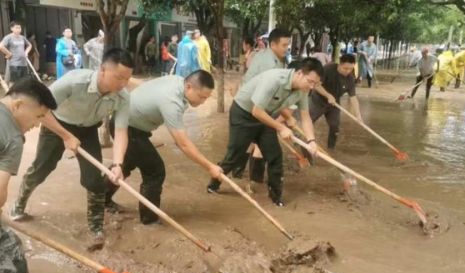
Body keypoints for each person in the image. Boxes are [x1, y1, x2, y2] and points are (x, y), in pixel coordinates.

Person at [10, 49, 133, 251]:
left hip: (87, 130)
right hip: (56, 124)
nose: (123, 84)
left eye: (127, 79)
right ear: (103, 70)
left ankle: (95, 228)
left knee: (94, 179)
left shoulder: (123, 97)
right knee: (42, 168)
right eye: (119, 77)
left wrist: (118, 163)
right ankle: (19, 204)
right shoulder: (75, 81)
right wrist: (66, 135)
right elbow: (41, 108)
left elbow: (120, 131)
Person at [105, 70, 222, 223]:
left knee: (125, 165)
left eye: (206, 98)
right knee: (155, 171)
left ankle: (100, 199)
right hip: (126, 127)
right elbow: (183, 144)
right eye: (201, 97)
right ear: (188, 87)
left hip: (132, 124)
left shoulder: (178, 81)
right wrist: (210, 167)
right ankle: (149, 221)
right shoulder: (172, 101)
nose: (203, 102)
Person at [207, 58, 323, 206]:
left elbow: (305, 117)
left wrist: (311, 141)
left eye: (315, 84)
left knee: (275, 156)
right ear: (299, 73)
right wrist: (280, 127)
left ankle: (276, 197)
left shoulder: (302, 90)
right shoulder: (274, 80)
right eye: (310, 81)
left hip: (265, 115)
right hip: (243, 113)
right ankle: (213, 185)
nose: (312, 87)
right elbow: (256, 111)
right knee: (235, 154)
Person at [0, 79, 60, 273]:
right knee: (8, 248)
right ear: (18, 105)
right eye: (38, 116)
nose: (37, 125)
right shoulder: (13, 137)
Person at [232, 28, 291, 183]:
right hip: (252, 104)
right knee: (255, 141)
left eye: (288, 45)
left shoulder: (275, 58)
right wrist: (287, 117)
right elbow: (271, 94)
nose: (287, 48)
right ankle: (251, 178)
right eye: (284, 45)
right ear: (273, 44)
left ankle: (242, 175)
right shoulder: (270, 63)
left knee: (251, 141)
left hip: (254, 102)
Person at [309, 53, 362, 149]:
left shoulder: (350, 78)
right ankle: (300, 141)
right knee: (309, 121)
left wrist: (358, 115)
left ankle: (331, 149)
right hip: (318, 100)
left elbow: (353, 98)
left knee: (335, 127)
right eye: (345, 68)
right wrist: (328, 95)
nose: (348, 71)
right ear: (339, 64)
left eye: (350, 69)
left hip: (334, 104)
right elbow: (316, 85)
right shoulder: (328, 69)